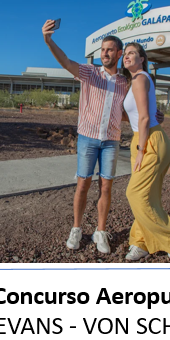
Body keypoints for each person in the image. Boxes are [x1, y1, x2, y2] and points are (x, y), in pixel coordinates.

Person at [43, 21, 127, 255]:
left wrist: (150, 117)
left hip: (111, 141)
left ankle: (100, 232)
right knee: (82, 185)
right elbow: (66, 61)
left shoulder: (124, 82)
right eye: (102, 50)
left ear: (119, 54)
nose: (105, 53)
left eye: (110, 50)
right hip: (88, 139)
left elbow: (126, 113)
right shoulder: (90, 73)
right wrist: (49, 41)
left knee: (106, 187)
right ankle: (77, 229)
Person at [120, 42, 170, 260]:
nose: (127, 56)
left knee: (135, 193)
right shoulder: (135, 81)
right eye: (125, 54)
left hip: (149, 141)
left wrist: (141, 149)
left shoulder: (140, 78)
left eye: (132, 53)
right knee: (148, 196)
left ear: (142, 59)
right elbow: (139, 115)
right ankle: (141, 242)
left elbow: (146, 118)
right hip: (142, 137)